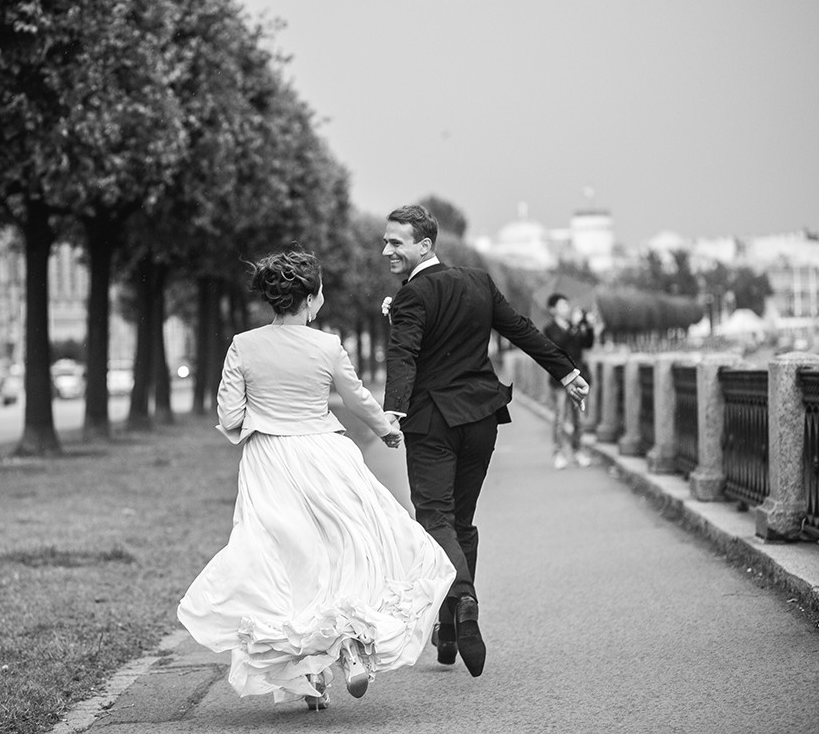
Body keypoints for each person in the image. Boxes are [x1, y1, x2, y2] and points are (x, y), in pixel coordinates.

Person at [178, 248, 455, 712]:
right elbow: (359, 398)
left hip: (270, 459)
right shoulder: (327, 346)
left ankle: (308, 673)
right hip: (326, 454)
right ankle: (349, 646)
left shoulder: (243, 345)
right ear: (310, 299)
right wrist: (387, 429)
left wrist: (262, 422)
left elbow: (229, 415)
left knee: (286, 561)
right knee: (343, 549)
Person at [381, 205, 590, 678]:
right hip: (480, 417)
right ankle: (450, 626)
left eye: (396, 242)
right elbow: (519, 329)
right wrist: (568, 372)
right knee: (461, 521)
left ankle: (464, 598)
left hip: (433, 421)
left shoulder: (413, 295)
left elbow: (405, 355)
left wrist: (393, 411)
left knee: (434, 518)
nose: (386, 250)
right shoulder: (478, 281)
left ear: (424, 245)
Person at [543, 293, 598, 469]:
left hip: (577, 379)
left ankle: (578, 451)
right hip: (559, 381)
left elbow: (587, 344)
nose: (567, 308)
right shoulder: (549, 329)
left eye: (567, 304)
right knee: (560, 417)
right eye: (562, 305)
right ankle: (558, 453)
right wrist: (573, 326)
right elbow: (558, 345)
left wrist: (588, 326)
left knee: (579, 419)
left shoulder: (574, 326)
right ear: (553, 310)